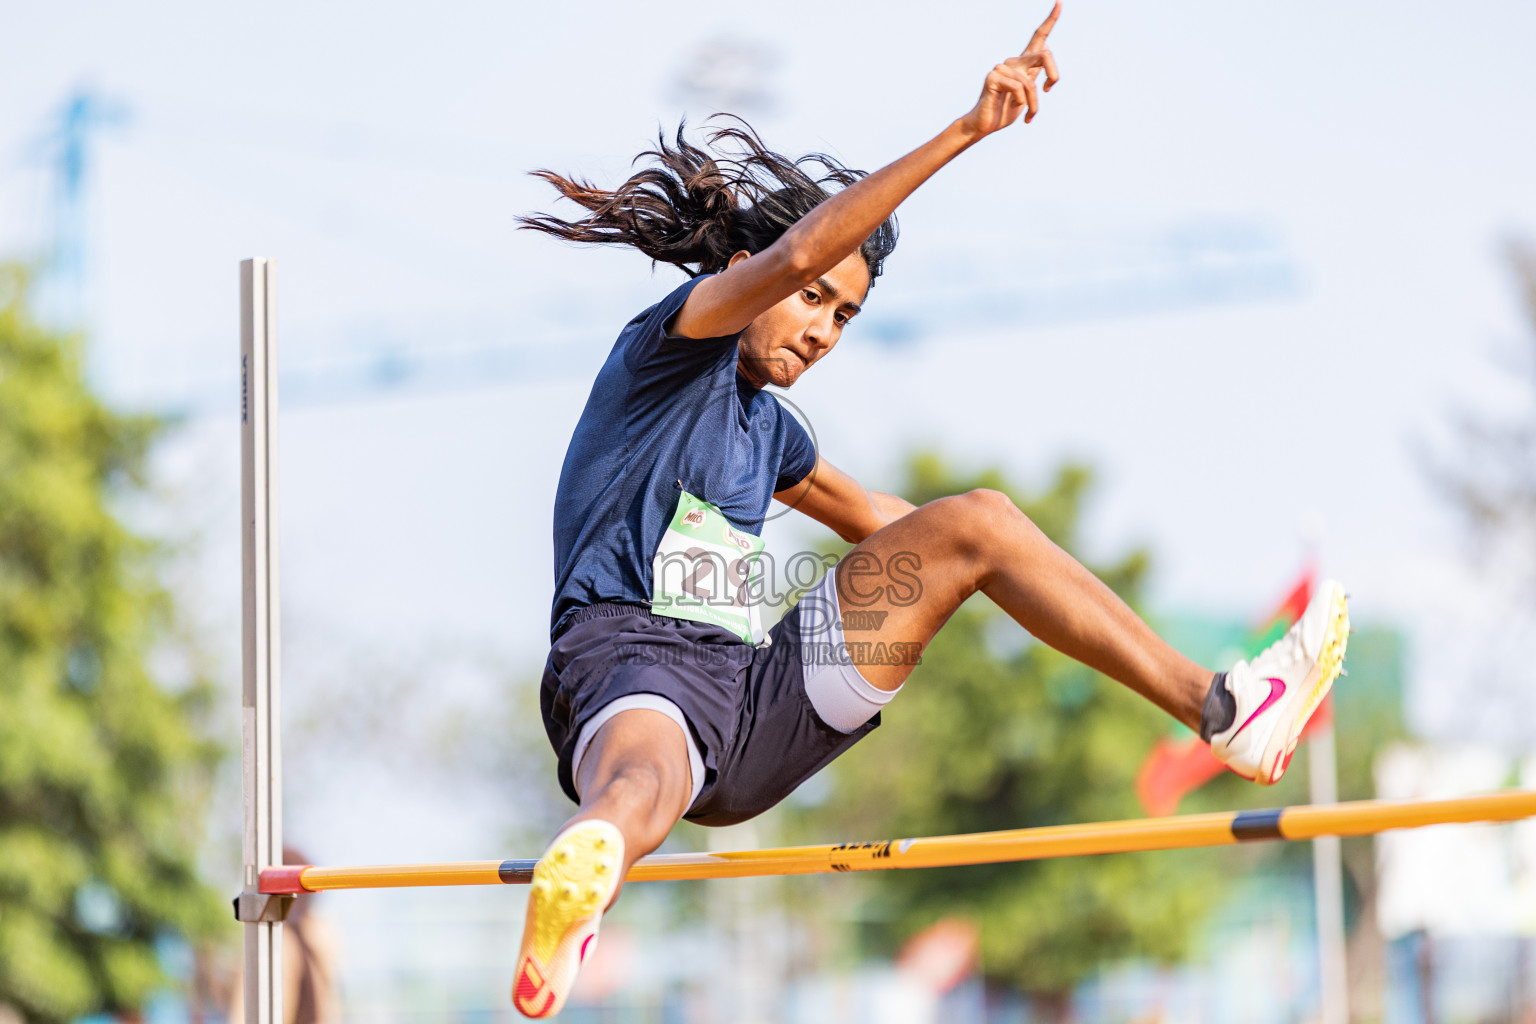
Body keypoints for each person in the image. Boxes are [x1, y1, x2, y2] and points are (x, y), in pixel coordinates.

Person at [511, 4, 1349, 1017]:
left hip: (760, 698)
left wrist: (1013, 572)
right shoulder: (671, 347)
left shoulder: (772, 431)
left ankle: (1228, 711)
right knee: (641, 780)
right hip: (632, 660)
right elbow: (786, 257)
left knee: (980, 522)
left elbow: (886, 521)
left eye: (845, 316)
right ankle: (585, 878)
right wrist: (967, 128)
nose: (823, 329)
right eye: (814, 296)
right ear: (749, 277)